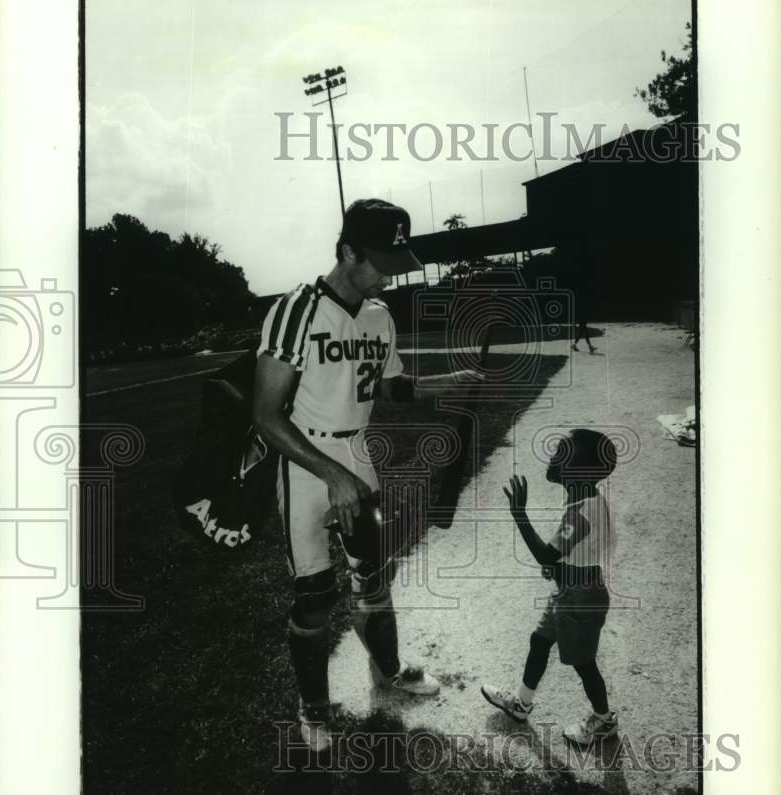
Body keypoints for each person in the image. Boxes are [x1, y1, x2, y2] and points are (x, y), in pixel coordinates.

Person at [253, 198, 483, 750]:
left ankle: (387, 670)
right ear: (347, 250)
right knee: (314, 593)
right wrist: (332, 476)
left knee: (374, 579)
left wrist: (441, 383)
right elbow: (264, 415)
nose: (387, 275)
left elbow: (386, 384)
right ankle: (313, 706)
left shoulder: (380, 316)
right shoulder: (296, 311)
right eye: (377, 261)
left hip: (359, 457)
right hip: (305, 465)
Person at [481, 429, 619, 745]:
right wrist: (557, 567)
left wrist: (519, 514)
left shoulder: (582, 512)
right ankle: (521, 704)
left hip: (581, 601)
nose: (553, 456)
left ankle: (604, 721)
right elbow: (571, 553)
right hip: (569, 593)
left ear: (577, 469)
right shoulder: (584, 498)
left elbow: (547, 552)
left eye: (561, 452)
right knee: (539, 642)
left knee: (585, 666)